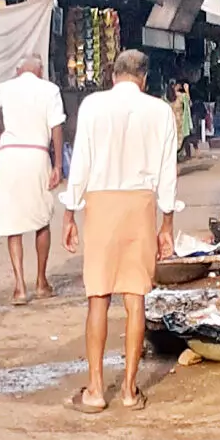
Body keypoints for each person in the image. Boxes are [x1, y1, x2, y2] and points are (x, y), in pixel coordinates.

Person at [60, 50, 180, 413]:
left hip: (100, 205)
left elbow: (80, 163)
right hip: (140, 205)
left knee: (98, 296)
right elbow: (167, 173)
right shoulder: (160, 111)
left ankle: (96, 391)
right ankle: (129, 390)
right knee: (135, 297)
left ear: (114, 75)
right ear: (144, 78)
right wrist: (166, 225)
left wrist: (69, 213)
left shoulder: (93, 106)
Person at [0, 55, 65, 305]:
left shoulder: (3, 89)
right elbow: (57, 128)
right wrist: (58, 165)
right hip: (37, 156)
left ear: (18, 70)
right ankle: (41, 282)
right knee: (42, 220)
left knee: (13, 224)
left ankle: (19, 287)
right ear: (39, 71)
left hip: (9, 157)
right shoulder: (50, 90)